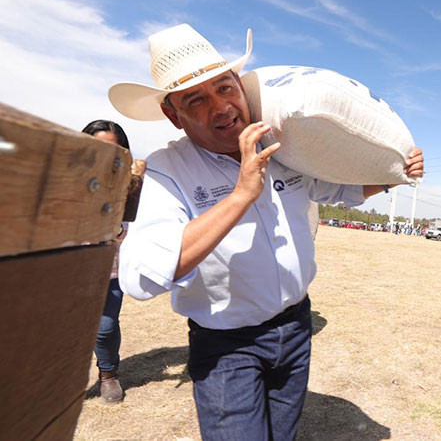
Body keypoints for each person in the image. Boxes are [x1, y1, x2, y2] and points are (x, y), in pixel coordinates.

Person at [110, 24, 424, 440]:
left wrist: (393, 175)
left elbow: (337, 188)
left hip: (295, 329)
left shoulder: (280, 145)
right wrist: (241, 194)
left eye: (224, 88)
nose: (220, 107)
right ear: (173, 115)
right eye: (196, 100)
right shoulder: (169, 169)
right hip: (227, 347)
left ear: (240, 86)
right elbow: (141, 277)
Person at [82, 120, 130, 404]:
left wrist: (119, 232)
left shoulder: (127, 184)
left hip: (109, 270)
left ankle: (108, 374)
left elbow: (133, 226)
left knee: (105, 327)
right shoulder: (66, 178)